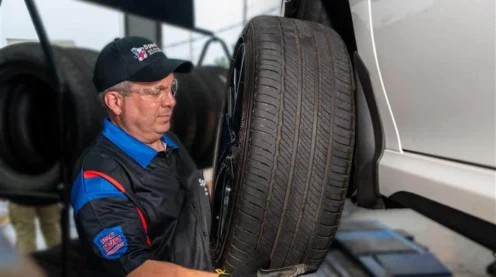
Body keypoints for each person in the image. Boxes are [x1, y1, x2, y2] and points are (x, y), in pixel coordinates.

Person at [71, 36, 313, 277]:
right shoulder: (98, 179)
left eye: (171, 88)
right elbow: (136, 270)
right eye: (155, 92)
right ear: (115, 101)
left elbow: (188, 198)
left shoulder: (168, 141)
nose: (171, 101)